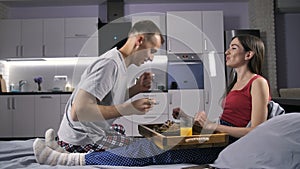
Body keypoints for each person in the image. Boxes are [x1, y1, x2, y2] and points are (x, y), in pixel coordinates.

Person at [33, 34, 270, 166]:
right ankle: (67, 151)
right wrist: (190, 120)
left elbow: (257, 131)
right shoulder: (234, 85)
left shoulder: (257, 82)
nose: (227, 52)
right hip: (217, 137)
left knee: (150, 151)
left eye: (233, 48)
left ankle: (68, 159)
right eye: (228, 47)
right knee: (151, 142)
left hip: (225, 145)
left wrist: (213, 127)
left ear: (248, 55)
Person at [56, 20, 164, 153]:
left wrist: (137, 89)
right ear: (140, 40)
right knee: (142, 150)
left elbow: (108, 99)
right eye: (152, 51)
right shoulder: (109, 64)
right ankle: (64, 155)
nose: (152, 58)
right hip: (79, 140)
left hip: (86, 133)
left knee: (121, 131)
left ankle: (57, 146)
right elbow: (78, 112)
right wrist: (127, 109)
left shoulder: (120, 63)